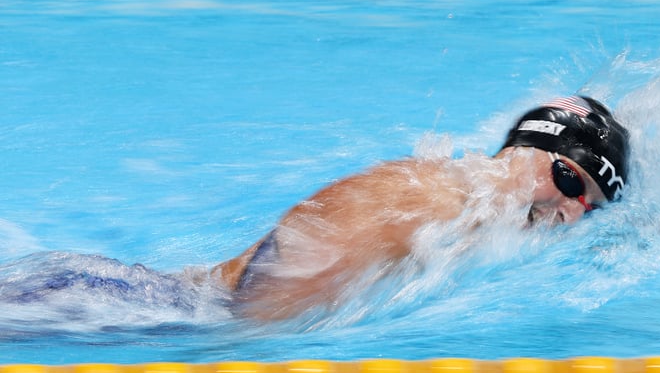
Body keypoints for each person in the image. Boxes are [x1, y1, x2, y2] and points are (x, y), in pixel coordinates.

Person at [214, 95, 630, 320]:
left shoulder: (475, 218)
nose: (570, 213)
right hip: (177, 317)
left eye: (589, 207)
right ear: (520, 151)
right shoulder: (425, 198)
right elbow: (259, 299)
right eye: (569, 180)